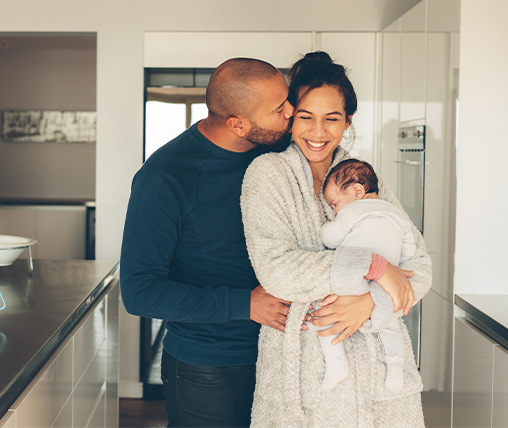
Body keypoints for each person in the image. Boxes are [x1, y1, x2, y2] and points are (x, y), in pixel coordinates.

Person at [241, 51, 432, 427]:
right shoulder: (267, 175)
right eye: (306, 117)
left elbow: (420, 269)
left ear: (347, 122)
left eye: (332, 118)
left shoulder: (363, 180)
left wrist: (370, 301)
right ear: (289, 116)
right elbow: (278, 270)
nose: (317, 131)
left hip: (380, 375)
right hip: (304, 376)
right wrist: (377, 268)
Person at [120, 57, 296, 427]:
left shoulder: (274, 152)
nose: (291, 112)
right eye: (279, 108)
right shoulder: (164, 177)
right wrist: (244, 304)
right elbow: (139, 291)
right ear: (238, 124)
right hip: (209, 369)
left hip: (284, 355)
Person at [317, 158, 416, 393]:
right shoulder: (397, 213)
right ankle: (396, 367)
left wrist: (325, 225)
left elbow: (329, 239)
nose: (334, 210)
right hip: (386, 283)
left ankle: (337, 362)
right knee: (391, 324)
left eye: (334, 204)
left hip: (355, 274)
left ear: (357, 191)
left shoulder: (352, 211)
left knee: (323, 311)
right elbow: (410, 250)